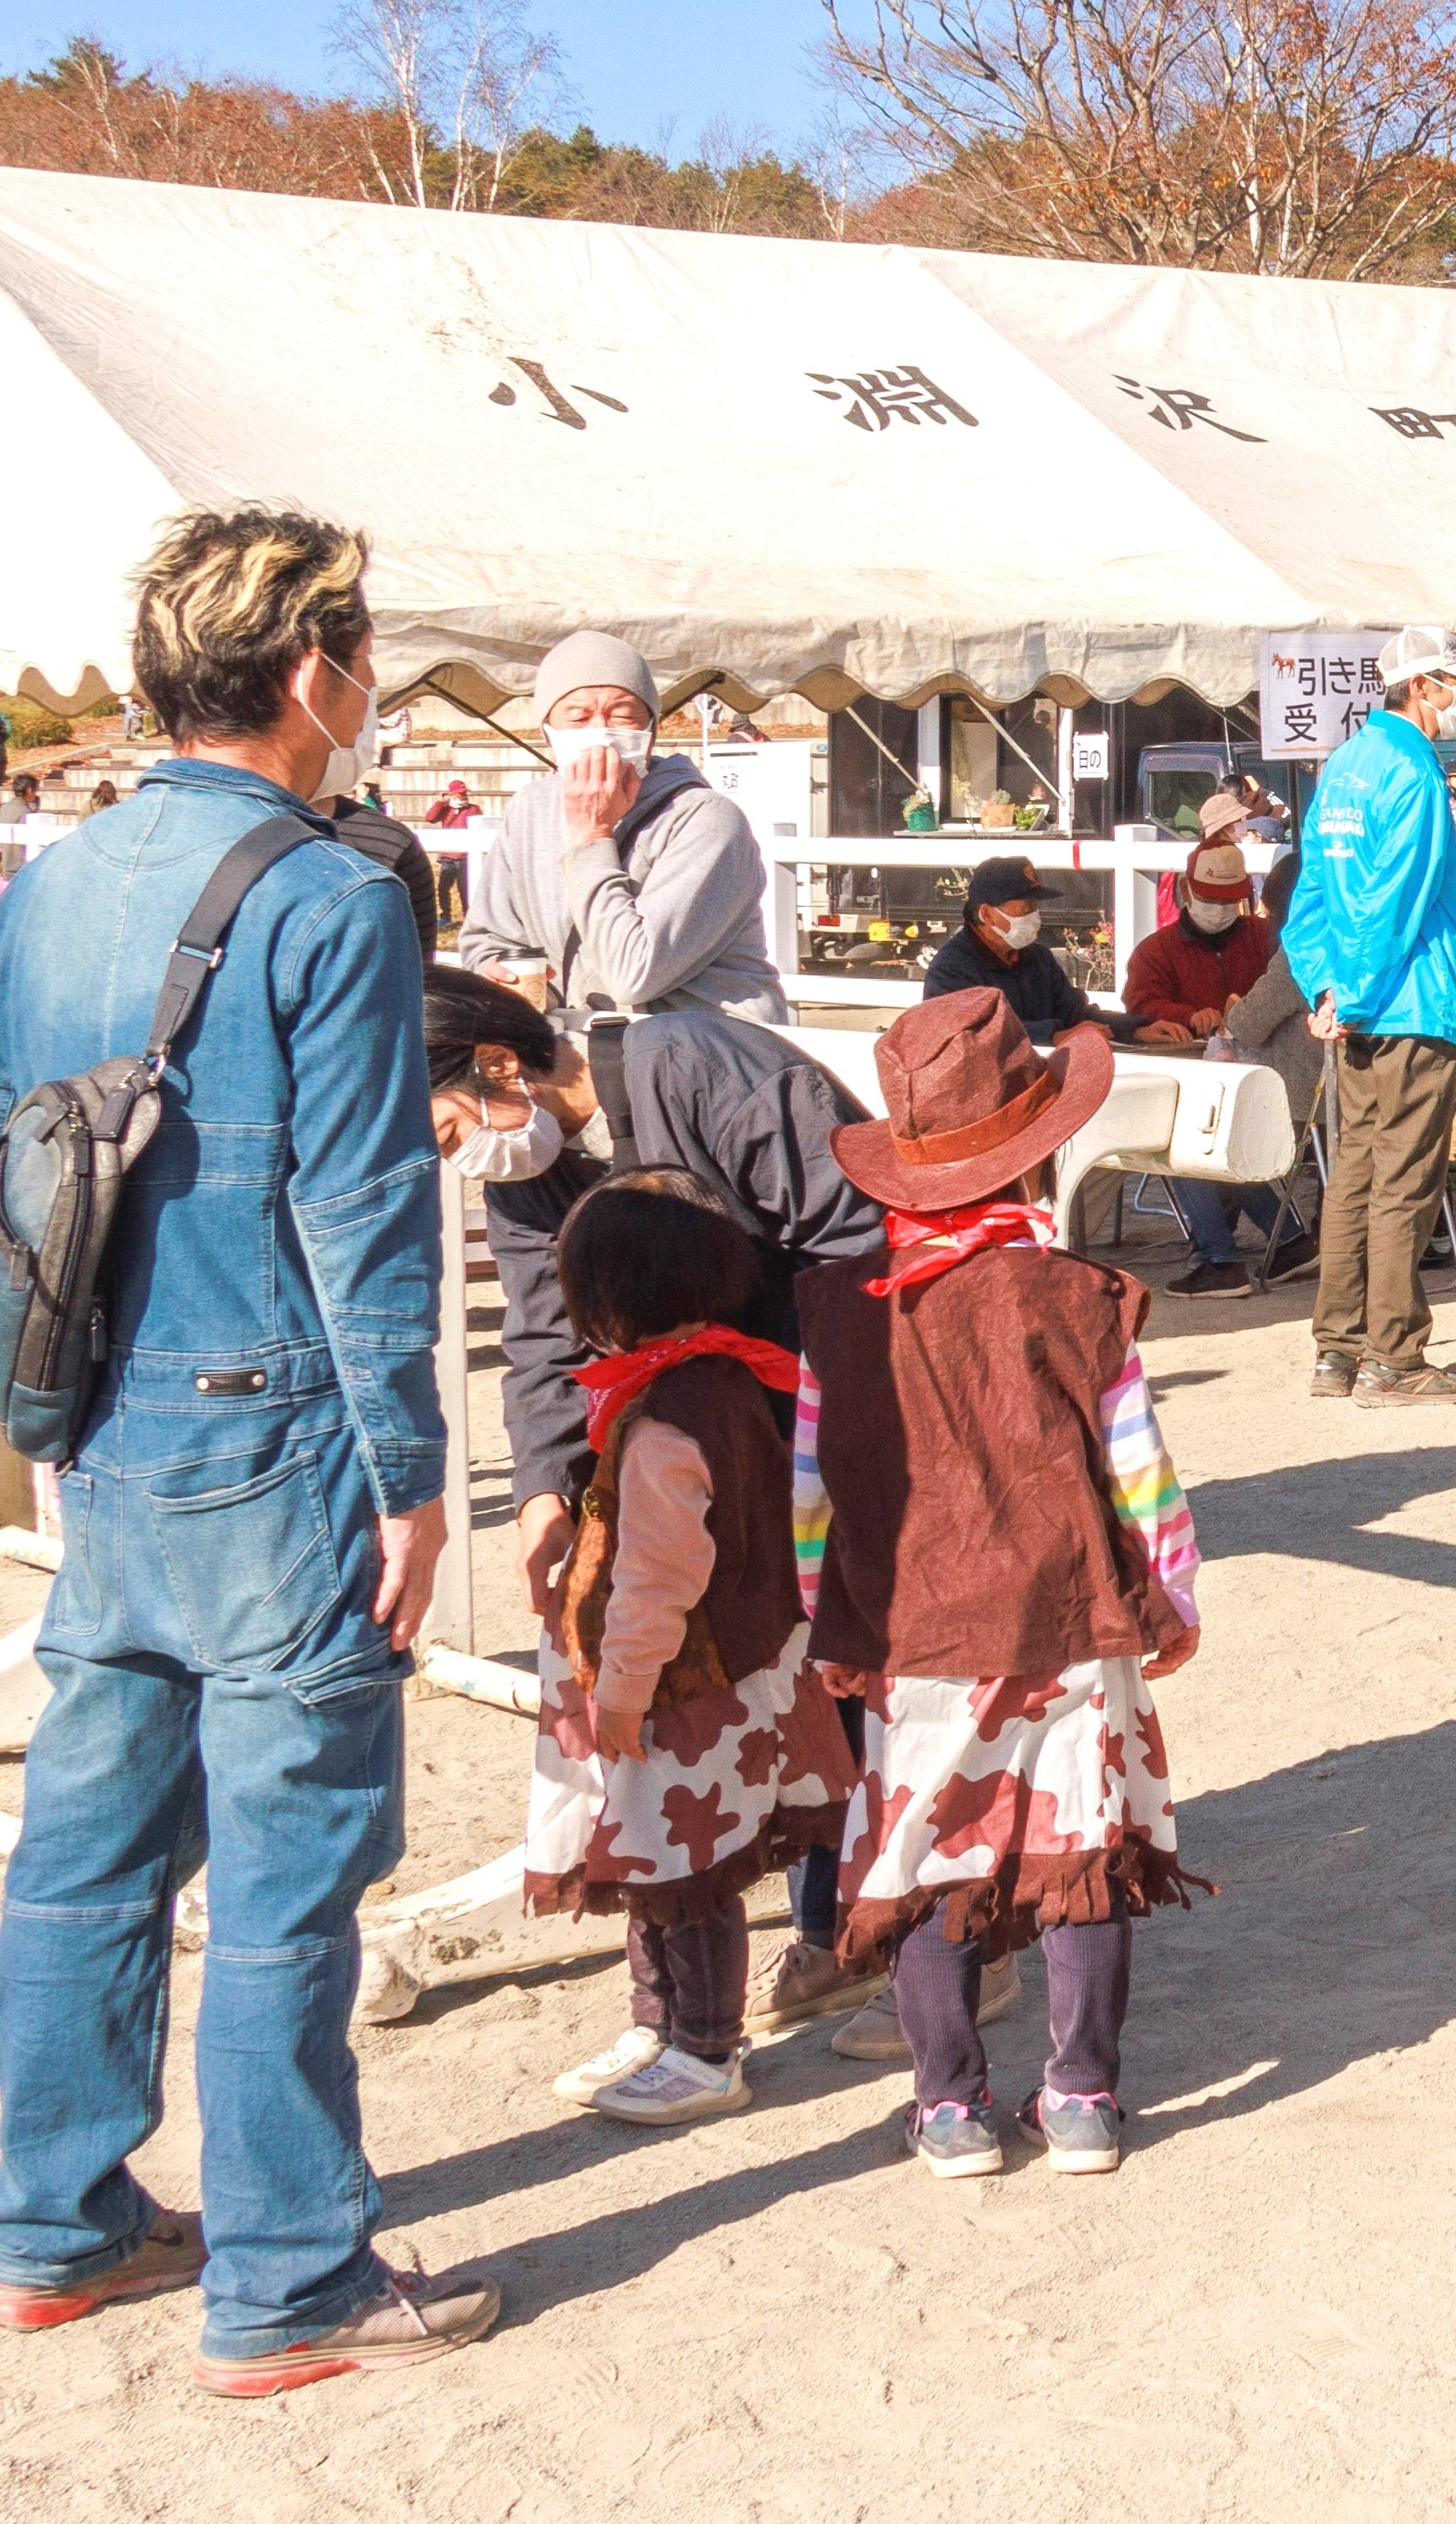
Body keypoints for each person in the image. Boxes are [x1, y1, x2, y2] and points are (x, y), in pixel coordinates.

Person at [0, 504, 497, 2388]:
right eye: (360, 657)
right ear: (312, 671)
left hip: (103, 1412)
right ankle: (288, 2277)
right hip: (280, 1425)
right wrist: (412, 1469)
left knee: (87, 1837)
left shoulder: (56, 875)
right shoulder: (332, 891)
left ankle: (54, 2224)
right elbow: (368, 1208)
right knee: (291, 1870)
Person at [425, 958, 888, 2032]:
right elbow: (545, 1331)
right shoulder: (528, 1163)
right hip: (711, 1441)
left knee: (852, 1661)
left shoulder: (709, 1073)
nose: (461, 1162)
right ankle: (831, 1915)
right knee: (775, 1675)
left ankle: (880, 1923)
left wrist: (808, 1441)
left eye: (449, 1130)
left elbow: (856, 1246)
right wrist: (548, 1486)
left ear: (500, 1066)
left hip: (823, 1409)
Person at [800, 988, 1206, 2182]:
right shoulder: (1077, 1297)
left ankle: (947, 2105)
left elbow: (810, 1493)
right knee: (1080, 1850)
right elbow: (1138, 1468)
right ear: (1038, 1148)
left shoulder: (842, 1308)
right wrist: (1169, 1595)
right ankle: (1080, 2092)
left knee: (928, 1854)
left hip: (909, 1622)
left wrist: (832, 1614)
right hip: (1071, 1612)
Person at [520, 1171, 849, 2131]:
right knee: (652, 1864)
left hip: (675, 1686)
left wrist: (618, 1690)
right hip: (713, 1675)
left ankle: (704, 2047)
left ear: (604, 1300)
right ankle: (656, 2024)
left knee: (684, 1872)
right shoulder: (724, 1376)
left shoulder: (666, 1422)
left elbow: (658, 1581)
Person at [1284, 624, 1456, 1409]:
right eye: (1455, 682)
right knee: (1403, 1185)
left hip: (1360, 1004)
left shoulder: (1344, 765)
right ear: (1423, 686)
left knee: (1356, 1179)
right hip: (1409, 1004)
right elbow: (1395, 901)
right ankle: (1395, 1361)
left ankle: (1337, 1352)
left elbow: (1309, 894)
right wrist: (1359, 994)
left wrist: (1325, 990)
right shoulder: (1412, 769)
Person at [452, 630, 789, 1025]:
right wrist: (497, 973)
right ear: (547, 731)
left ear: (651, 729)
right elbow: (489, 937)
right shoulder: (531, 807)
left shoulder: (706, 819)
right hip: (580, 1041)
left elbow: (633, 975)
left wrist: (592, 836)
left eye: (623, 714)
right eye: (577, 717)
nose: (601, 730)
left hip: (702, 1051)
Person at [1120, 831, 1314, 1300]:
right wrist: (1187, 1015)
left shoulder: (1263, 938)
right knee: (1208, 1138)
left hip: (1262, 1079)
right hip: (1201, 1071)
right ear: (1187, 891)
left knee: (1186, 1142)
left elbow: (1259, 1010)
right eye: (1210, 898)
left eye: (1230, 900)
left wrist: (1238, 1013)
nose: (1220, 909)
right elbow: (1140, 1005)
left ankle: (1219, 1257)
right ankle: (1286, 1239)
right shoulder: (1156, 950)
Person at [921, 854, 1093, 1041]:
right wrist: (1052, 1034)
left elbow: (1074, 1012)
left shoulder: (1039, 957)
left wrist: (1125, 1028)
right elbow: (971, 1034)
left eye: (1035, 906)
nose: (1034, 915)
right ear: (986, 914)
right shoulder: (950, 969)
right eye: (1026, 907)